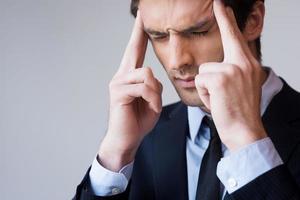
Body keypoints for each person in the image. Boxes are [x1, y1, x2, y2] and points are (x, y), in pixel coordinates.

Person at [74, 0, 300, 199]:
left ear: (253, 20)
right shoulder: (141, 138)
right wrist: (115, 155)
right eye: (159, 36)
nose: (176, 61)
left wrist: (247, 142)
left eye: (198, 31)